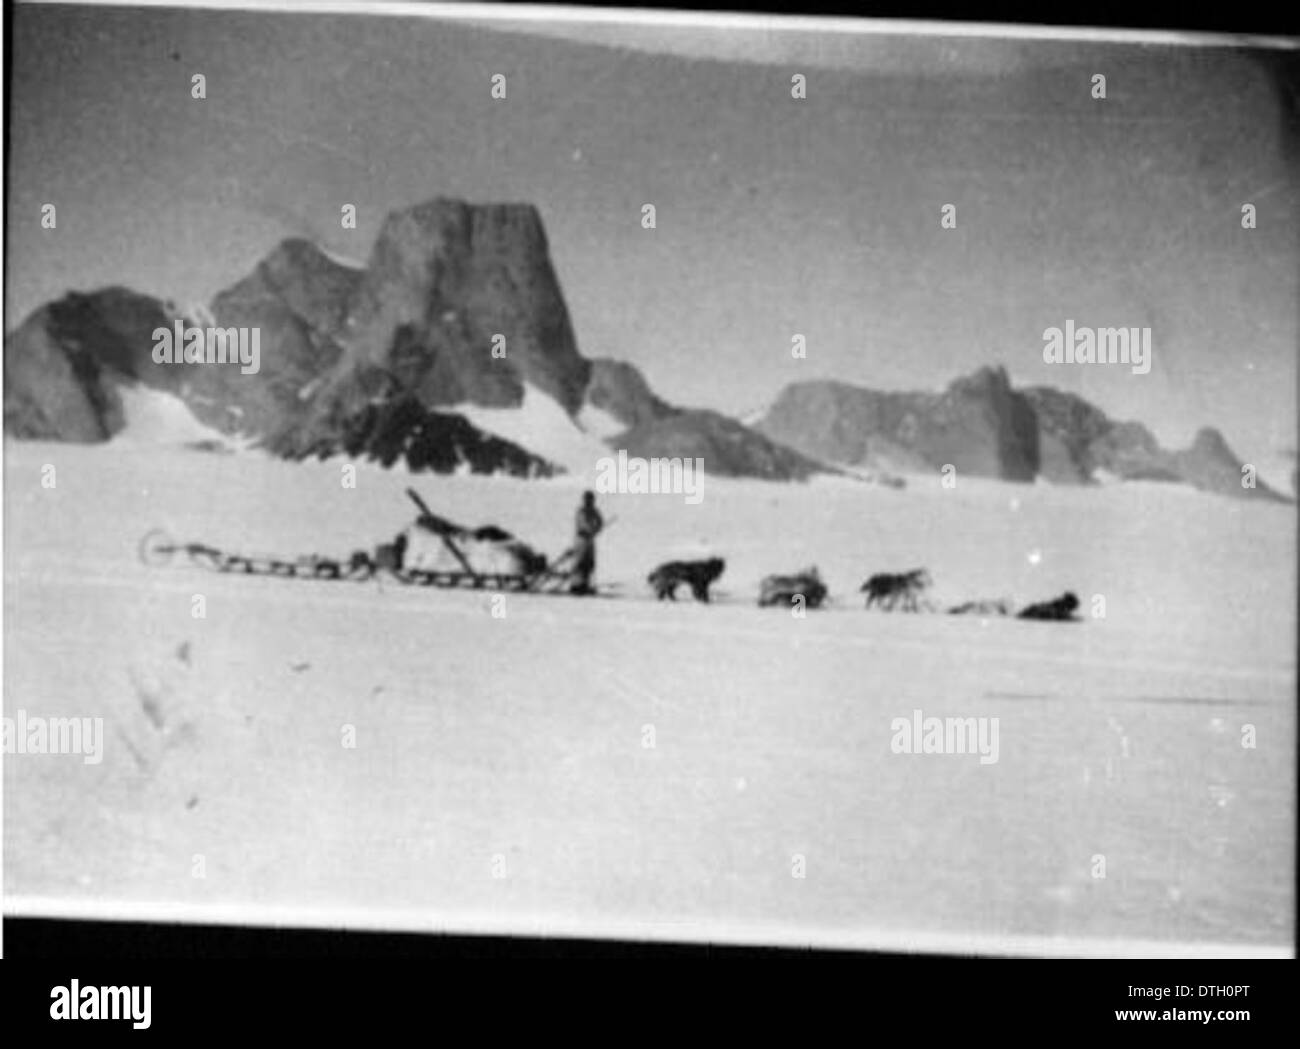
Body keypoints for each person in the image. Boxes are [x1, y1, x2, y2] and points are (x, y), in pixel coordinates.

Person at [569, 490, 604, 595]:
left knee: (590, 562)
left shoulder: (594, 511)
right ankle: (576, 584)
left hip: (590, 539)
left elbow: (600, 522)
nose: (590, 501)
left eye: (591, 499)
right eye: (588, 499)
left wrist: (597, 529)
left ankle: (586, 583)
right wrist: (592, 530)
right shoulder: (581, 511)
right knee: (580, 562)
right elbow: (583, 524)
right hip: (581, 539)